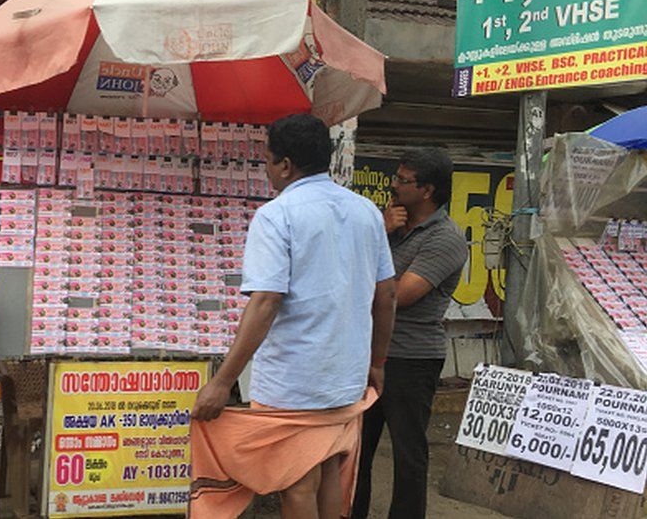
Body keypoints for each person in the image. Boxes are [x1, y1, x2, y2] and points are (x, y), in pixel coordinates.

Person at [190, 114, 397, 519]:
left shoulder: (277, 215)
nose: (268, 171)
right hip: (346, 375)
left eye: (267, 161)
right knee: (327, 468)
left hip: (294, 380)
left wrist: (222, 382)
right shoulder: (367, 212)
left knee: (297, 481)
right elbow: (385, 294)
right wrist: (377, 362)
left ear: (285, 165)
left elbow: (266, 301)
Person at [351, 150, 468, 519]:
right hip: (370, 352)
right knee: (356, 448)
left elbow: (398, 296)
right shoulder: (388, 228)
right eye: (396, 177)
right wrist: (380, 232)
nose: (393, 184)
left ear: (427, 190)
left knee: (407, 452)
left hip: (412, 357)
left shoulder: (446, 239)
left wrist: (365, 280)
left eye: (403, 180)